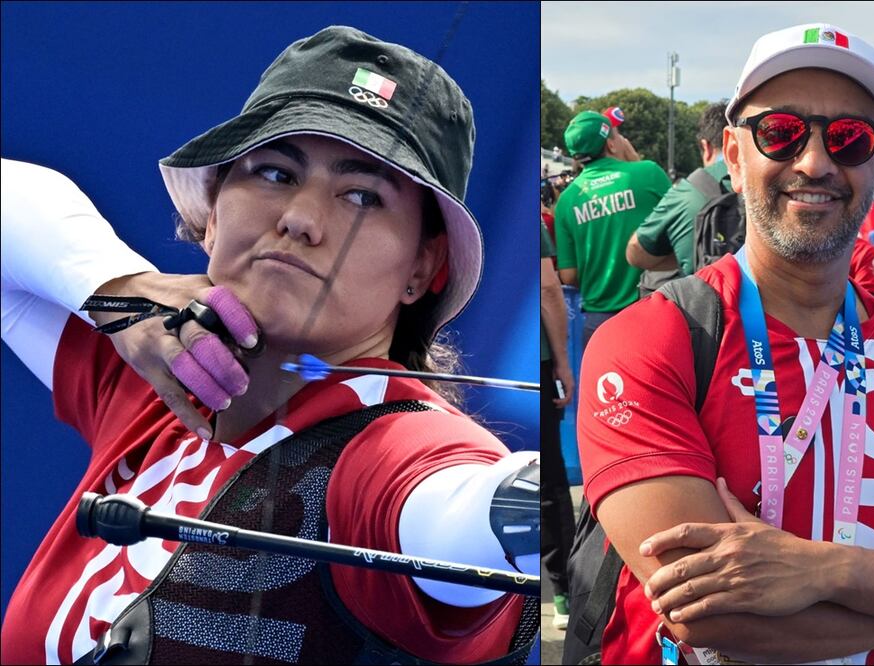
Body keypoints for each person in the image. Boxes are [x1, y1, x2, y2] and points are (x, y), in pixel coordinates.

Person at [0, 25, 539, 665]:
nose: (301, 219)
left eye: (363, 196)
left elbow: (458, 502)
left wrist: (521, 503)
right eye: (276, 172)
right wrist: (117, 289)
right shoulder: (152, 375)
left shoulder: (395, 450)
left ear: (423, 268)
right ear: (211, 215)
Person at [576, 22, 874, 665]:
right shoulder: (652, 340)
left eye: (849, 139)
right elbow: (710, 615)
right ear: (734, 156)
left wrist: (821, 571)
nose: (815, 163)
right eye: (781, 133)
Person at [554, 110, 670, 346]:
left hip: (600, 324)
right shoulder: (648, 172)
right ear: (611, 144)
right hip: (657, 311)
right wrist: (634, 161)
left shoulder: (567, 200)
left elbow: (568, 275)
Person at [627, 101, 731, 279]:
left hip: (707, 302)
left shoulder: (689, 192)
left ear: (706, 146)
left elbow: (636, 254)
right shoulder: (774, 182)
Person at [540, 221, 576, 631]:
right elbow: (550, 288)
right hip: (536, 361)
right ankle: (565, 590)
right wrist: (564, 361)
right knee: (548, 481)